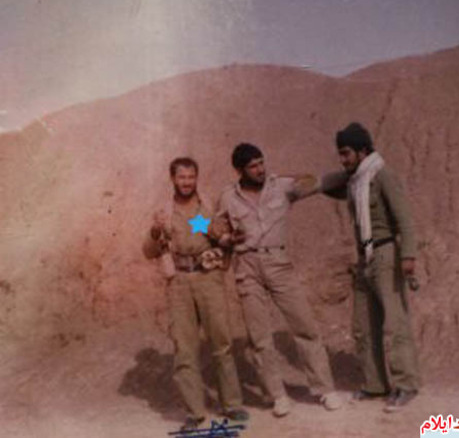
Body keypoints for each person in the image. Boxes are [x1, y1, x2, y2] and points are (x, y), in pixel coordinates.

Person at [216, 143, 342, 417]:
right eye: (253, 166)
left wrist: (353, 173)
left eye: (261, 163)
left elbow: (319, 183)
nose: (260, 169)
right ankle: (277, 395)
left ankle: (325, 389)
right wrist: (224, 237)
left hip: (279, 264)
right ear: (239, 170)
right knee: (260, 337)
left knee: (305, 325)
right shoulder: (227, 197)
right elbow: (202, 224)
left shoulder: (282, 186)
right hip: (247, 267)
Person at [142, 157, 249, 431]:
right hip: (178, 282)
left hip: (208, 278)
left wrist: (227, 238)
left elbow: (215, 234)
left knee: (221, 341)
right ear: (173, 179)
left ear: (196, 178)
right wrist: (155, 232)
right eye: (182, 177)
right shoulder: (165, 213)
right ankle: (194, 412)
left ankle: (232, 404)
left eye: (191, 177)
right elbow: (148, 251)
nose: (187, 182)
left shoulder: (205, 207)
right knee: (185, 348)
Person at [321, 122, 420, 413]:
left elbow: (404, 219)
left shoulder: (382, 176)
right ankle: (375, 384)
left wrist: (408, 256)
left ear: (363, 150)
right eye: (340, 154)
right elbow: (327, 185)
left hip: (386, 254)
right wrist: (347, 172)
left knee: (394, 323)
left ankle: (406, 385)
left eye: (346, 153)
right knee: (363, 326)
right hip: (364, 258)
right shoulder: (356, 181)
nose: (342, 159)